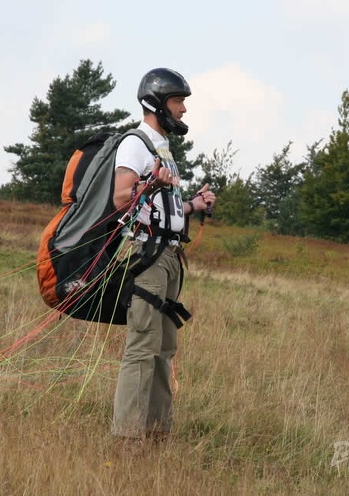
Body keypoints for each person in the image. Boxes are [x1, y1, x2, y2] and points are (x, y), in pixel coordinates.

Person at [110, 68, 216, 441]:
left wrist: (193, 205)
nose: (184, 109)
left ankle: (156, 434)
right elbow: (122, 198)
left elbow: (161, 207)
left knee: (163, 349)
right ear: (157, 103)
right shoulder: (135, 143)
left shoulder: (163, 149)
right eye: (178, 101)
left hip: (171, 257)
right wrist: (151, 181)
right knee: (142, 346)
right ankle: (127, 438)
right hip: (148, 255)